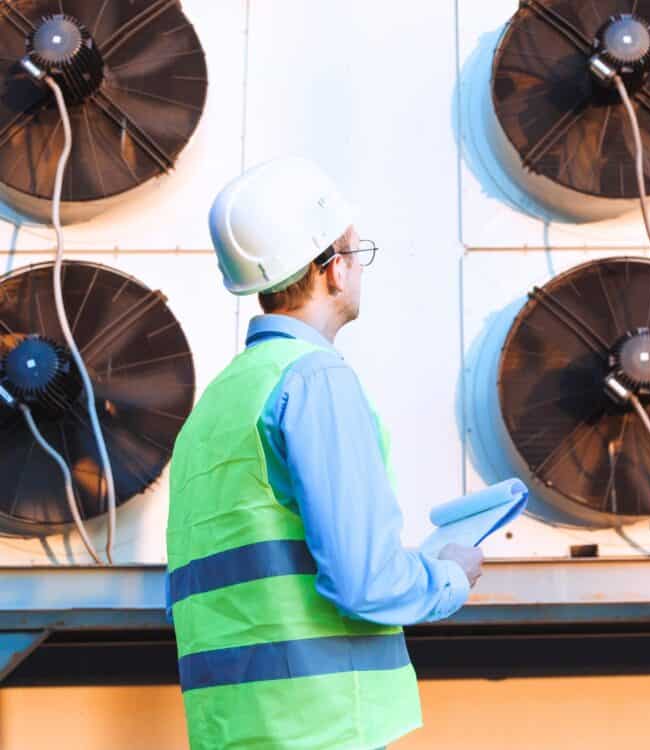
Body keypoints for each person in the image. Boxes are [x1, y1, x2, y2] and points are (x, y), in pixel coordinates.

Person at [165, 157, 483, 750]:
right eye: (357, 253)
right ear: (333, 269)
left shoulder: (215, 405)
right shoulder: (314, 381)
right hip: (323, 726)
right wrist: (449, 576)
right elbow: (363, 583)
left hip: (233, 730)